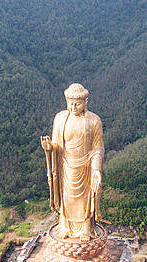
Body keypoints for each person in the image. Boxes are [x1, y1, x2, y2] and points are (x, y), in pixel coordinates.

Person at [40, 83, 104, 242]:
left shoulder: (94, 121)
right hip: (65, 166)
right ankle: (65, 227)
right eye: (70, 102)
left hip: (86, 167)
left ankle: (85, 229)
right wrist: (49, 147)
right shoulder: (60, 119)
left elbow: (98, 148)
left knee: (83, 201)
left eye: (78, 103)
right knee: (66, 199)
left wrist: (96, 169)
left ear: (85, 102)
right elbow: (56, 145)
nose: (74, 106)